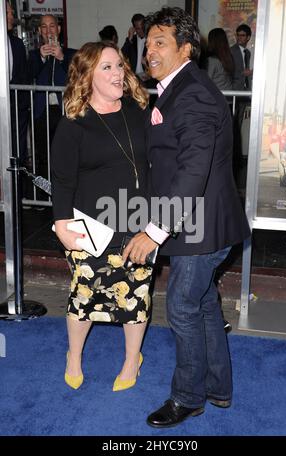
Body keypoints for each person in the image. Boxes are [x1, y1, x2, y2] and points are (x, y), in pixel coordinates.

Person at [123, 7, 250, 428]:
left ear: (187, 49)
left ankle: (188, 398)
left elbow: (193, 172)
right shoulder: (177, 89)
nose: (149, 51)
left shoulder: (192, 92)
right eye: (148, 44)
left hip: (201, 227)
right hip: (202, 221)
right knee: (203, 304)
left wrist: (153, 233)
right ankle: (219, 388)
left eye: (161, 43)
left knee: (180, 306)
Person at [51, 41, 152, 392]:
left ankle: (131, 360)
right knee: (84, 294)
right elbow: (62, 180)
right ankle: (74, 356)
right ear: (89, 75)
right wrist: (61, 223)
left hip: (136, 222)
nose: (117, 73)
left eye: (119, 66)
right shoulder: (74, 123)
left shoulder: (138, 111)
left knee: (135, 294)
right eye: (107, 67)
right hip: (88, 226)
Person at [28, 15, 76, 186]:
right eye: (44, 27)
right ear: (40, 31)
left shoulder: (71, 54)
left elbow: (78, 75)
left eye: (52, 26)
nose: (49, 31)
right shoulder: (33, 55)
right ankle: (43, 194)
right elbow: (28, 75)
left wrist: (62, 57)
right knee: (42, 155)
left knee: (67, 154)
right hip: (42, 112)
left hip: (65, 112)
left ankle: (66, 194)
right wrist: (41, 58)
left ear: (59, 29)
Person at [6, 1, 29, 165]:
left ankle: (17, 189)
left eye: (12, 13)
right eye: (8, 13)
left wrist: (23, 106)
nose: (12, 16)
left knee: (17, 154)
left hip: (16, 110)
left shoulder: (18, 44)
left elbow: (23, 76)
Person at [230, 24, 253, 172]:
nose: (240, 38)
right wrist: (242, 74)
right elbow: (229, 70)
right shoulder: (232, 51)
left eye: (243, 35)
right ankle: (233, 156)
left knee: (239, 123)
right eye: (238, 35)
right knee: (234, 123)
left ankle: (237, 155)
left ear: (248, 37)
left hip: (245, 91)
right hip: (235, 91)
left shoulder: (248, 52)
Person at [121, 13, 147, 80]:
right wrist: (129, 38)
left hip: (148, 78)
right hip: (134, 78)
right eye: (138, 28)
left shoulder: (151, 40)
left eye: (143, 28)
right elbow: (122, 56)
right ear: (134, 28)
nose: (141, 31)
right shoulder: (131, 40)